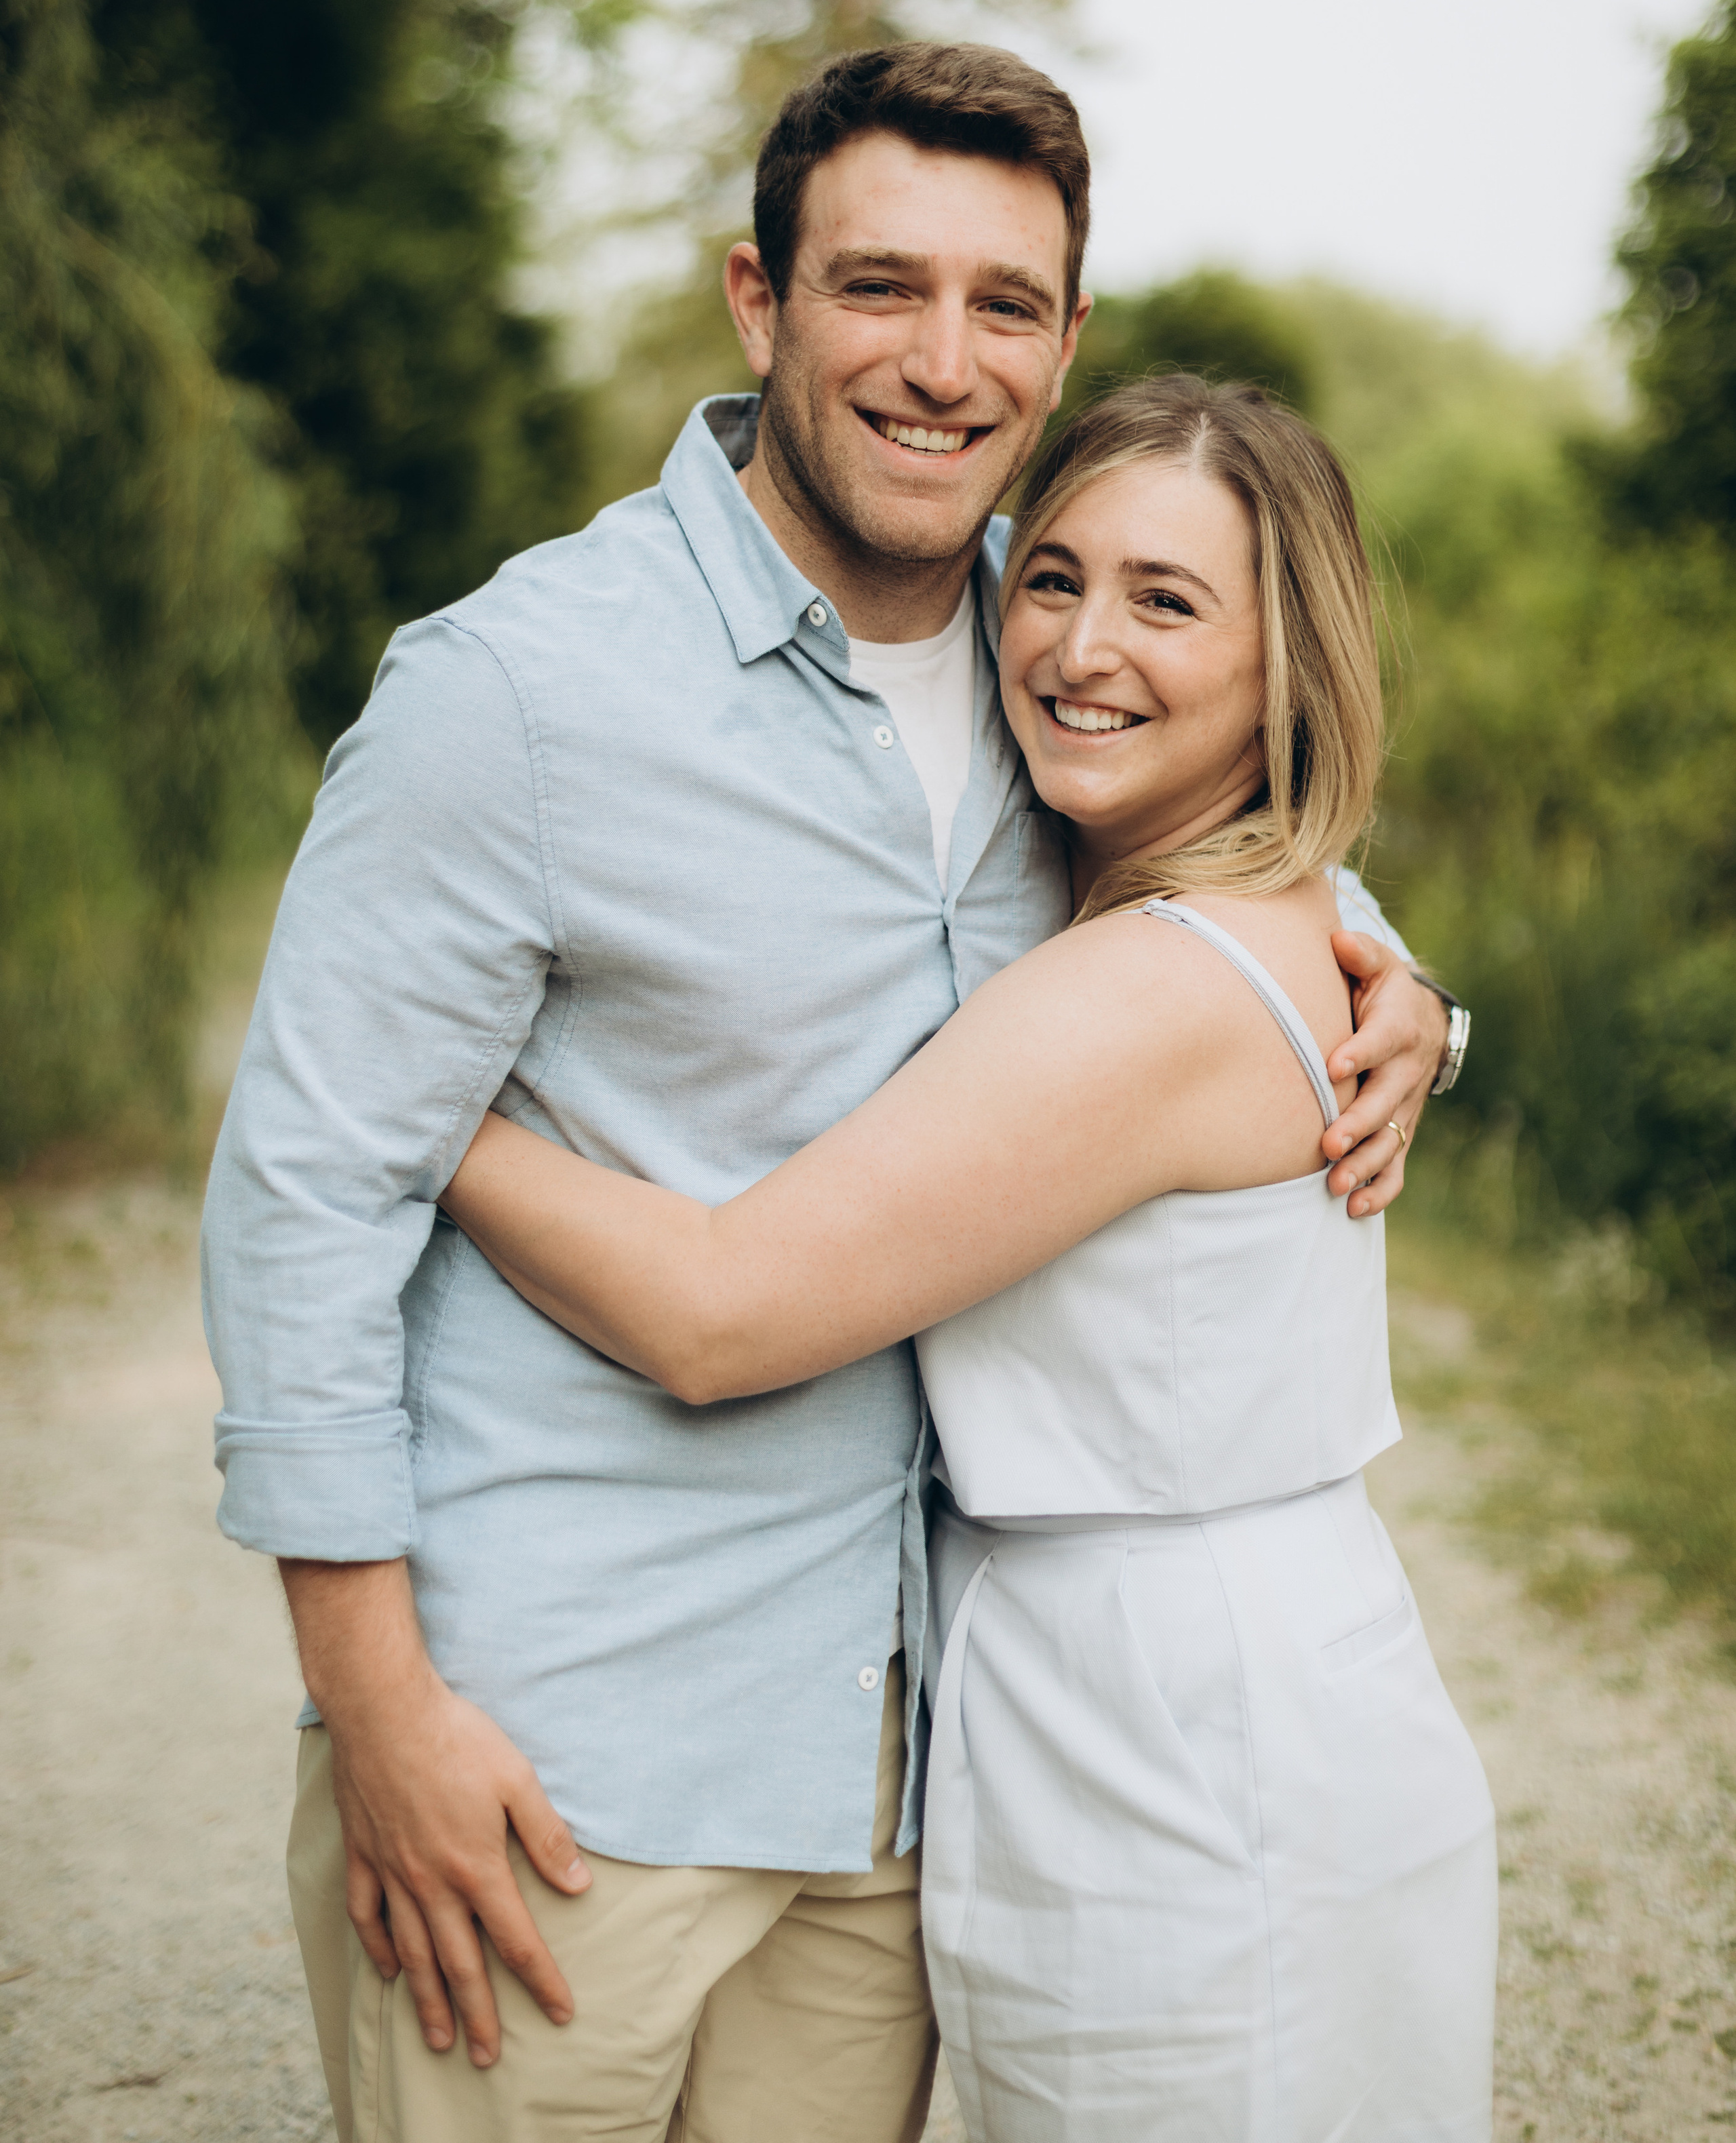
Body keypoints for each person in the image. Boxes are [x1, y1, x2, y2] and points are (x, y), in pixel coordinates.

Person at [201, 44, 1457, 2143]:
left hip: (896, 1786)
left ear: (1062, 346)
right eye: (880, 287)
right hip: (559, 1760)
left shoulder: (1036, 643)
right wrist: (381, 1708)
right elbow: (305, 1196)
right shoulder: (515, 691)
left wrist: (1405, 976)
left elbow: (1221, 830)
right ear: (760, 301)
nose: (941, 362)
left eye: (1006, 305)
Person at [439, 376, 1497, 2142]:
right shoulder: (1232, 912)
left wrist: (432, 1118)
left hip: (1188, 1732)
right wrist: (1428, 1006)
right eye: (1057, 578)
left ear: (1288, 665)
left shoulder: (1150, 984)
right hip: (1116, 1683)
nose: (1083, 646)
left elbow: (720, 1309)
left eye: (1170, 602)